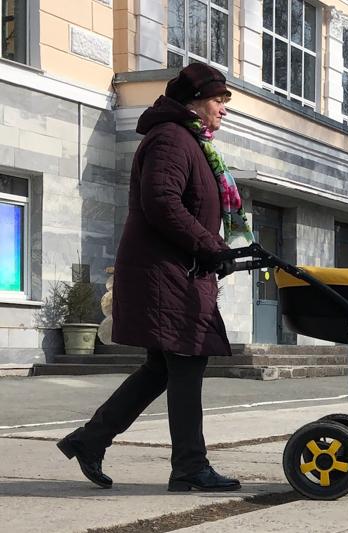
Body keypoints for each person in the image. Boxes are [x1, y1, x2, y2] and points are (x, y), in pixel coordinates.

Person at [57, 63, 253, 492]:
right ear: (194, 102)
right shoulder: (171, 138)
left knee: (161, 369)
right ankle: (189, 466)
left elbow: (180, 205)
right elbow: (162, 202)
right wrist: (211, 245)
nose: (224, 109)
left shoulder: (189, 141)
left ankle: (90, 440)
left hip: (176, 271)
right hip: (166, 275)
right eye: (219, 100)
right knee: (186, 362)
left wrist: (214, 246)